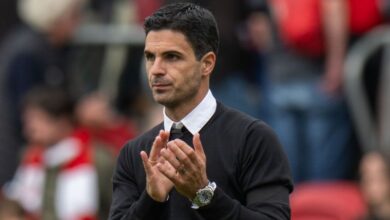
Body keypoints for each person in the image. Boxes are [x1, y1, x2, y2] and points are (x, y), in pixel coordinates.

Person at [109, 3, 293, 220]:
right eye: (150, 57)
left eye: (172, 56)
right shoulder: (134, 153)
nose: (156, 69)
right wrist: (151, 199)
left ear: (206, 64)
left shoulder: (253, 139)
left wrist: (204, 194)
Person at [2, 86, 113, 220]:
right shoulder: (30, 157)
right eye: (27, 121)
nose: (30, 128)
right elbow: (18, 202)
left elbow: (118, 207)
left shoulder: (97, 158)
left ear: (62, 122)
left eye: (37, 119)